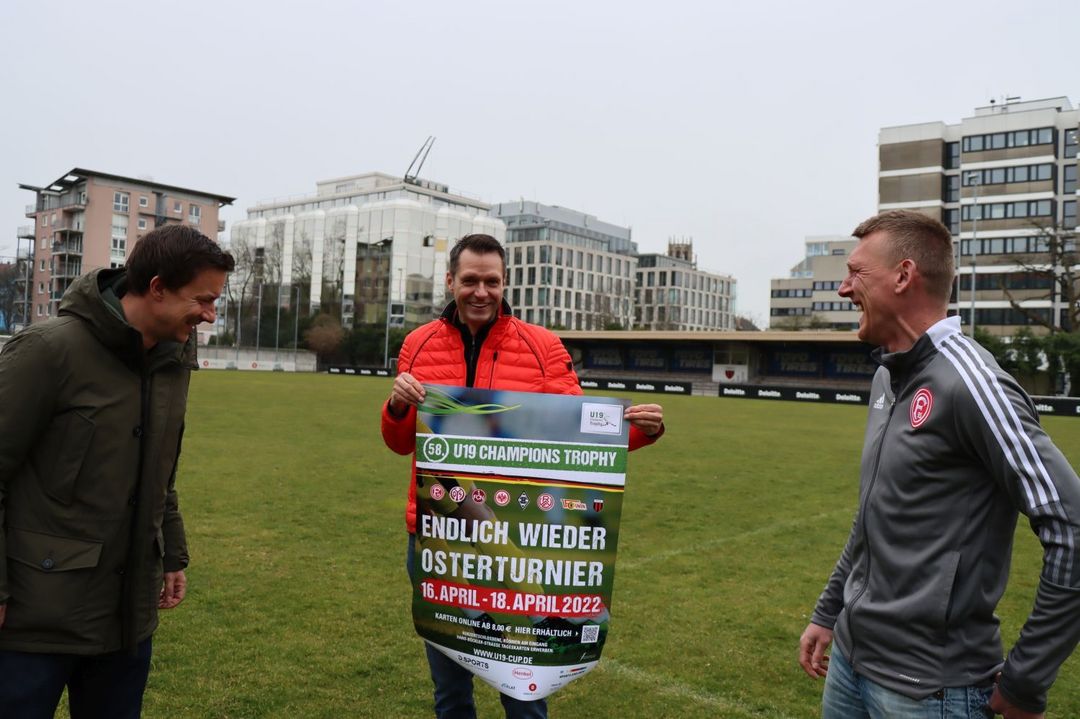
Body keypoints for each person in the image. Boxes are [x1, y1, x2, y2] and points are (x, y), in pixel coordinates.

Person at [797, 210, 1080, 719]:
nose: (844, 289)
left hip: (929, 692)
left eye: (857, 273)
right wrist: (829, 611)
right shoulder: (888, 376)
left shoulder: (974, 384)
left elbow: (1073, 528)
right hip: (850, 664)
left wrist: (1025, 681)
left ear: (904, 276)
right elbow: (874, 517)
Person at [382, 233, 664, 719]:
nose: (480, 292)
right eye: (469, 280)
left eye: (491, 281)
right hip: (435, 537)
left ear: (504, 283)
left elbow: (574, 437)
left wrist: (640, 432)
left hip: (519, 534)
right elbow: (400, 441)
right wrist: (397, 405)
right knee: (450, 689)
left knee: (525, 688)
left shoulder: (542, 348)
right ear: (450, 281)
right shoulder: (418, 343)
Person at [0, 224, 234, 718]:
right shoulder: (47, 350)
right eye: (204, 300)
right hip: (33, 619)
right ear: (156, 288)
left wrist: (171, 552)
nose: (211, 315)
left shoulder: (173, 361)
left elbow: (161, 470)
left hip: (128, 618)